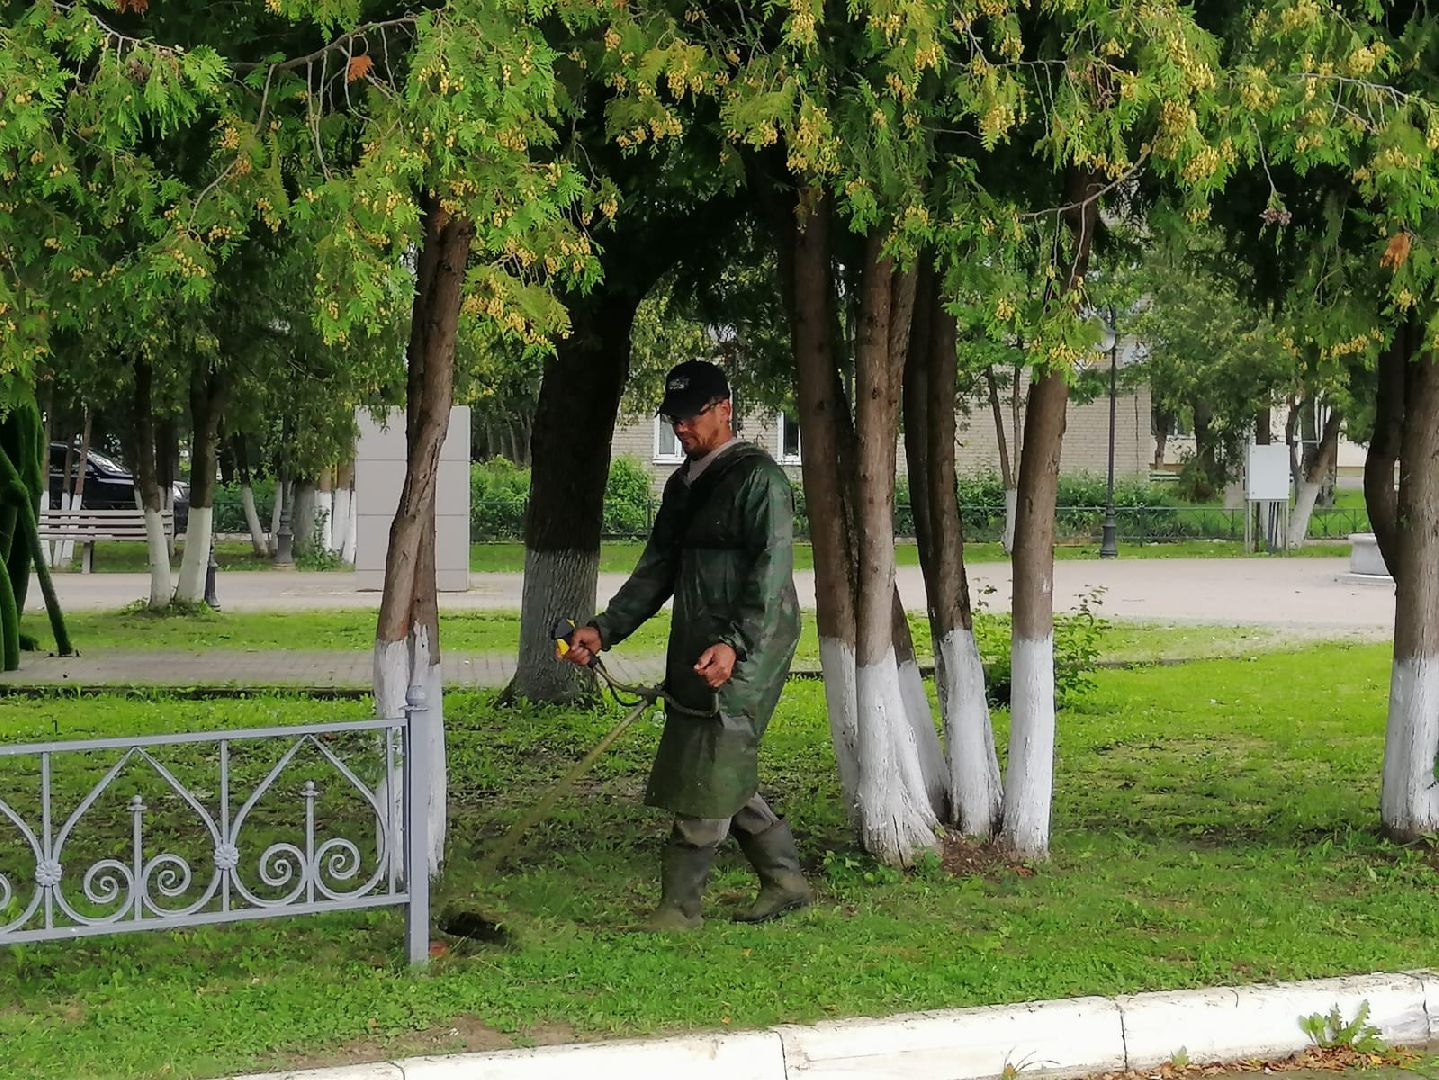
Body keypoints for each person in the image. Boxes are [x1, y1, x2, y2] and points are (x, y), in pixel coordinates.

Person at [562, 359, 811, 931]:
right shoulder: (682, 484)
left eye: (691, 416)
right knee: (719, 756)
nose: (680, 428)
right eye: (673, 418)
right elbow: (657, 568)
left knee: (711, 757)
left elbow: (771, 575)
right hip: (698, 638)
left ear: (724, 409)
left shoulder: (761, 481)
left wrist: (735, 644)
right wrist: (604, 628)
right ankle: (785, 881)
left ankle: (679, 908)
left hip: (753, 641)